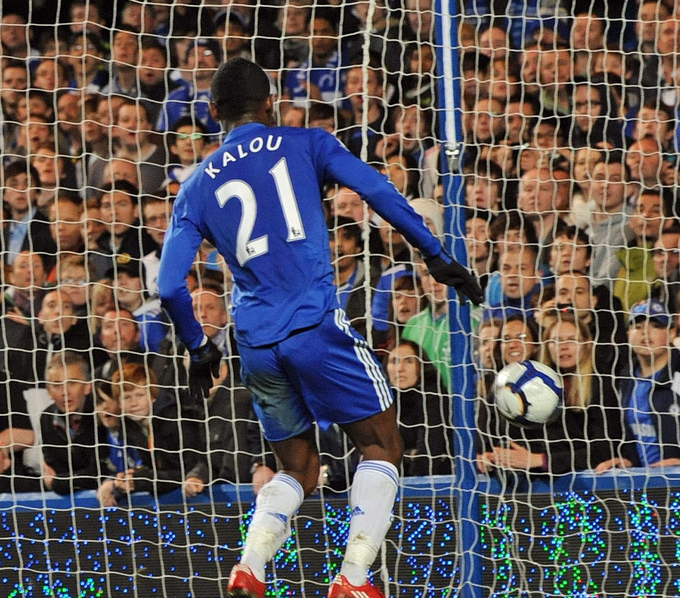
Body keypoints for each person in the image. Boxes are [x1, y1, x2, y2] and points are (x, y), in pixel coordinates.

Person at [157, 58, 482, 598]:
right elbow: (377, 191)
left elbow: (170, 286)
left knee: (299, 470)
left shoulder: (194, 187)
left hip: (255, 344)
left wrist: (198, 346)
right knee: (382, 445)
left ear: (212, 112)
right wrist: (434, 253)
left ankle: (251, 565)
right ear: (270, 105)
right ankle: (354, 579)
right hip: (315, 327)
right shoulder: (307, 142)